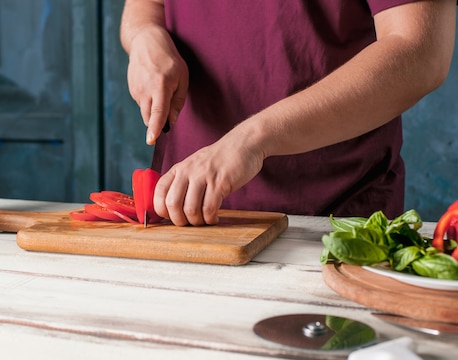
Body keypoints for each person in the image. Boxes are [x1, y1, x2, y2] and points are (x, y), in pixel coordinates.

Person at [120, 0, 456, 226]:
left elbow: (420, 51)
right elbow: (145, 6)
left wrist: (253, 139)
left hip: (327, 226)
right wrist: (144, 35)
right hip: (180, 216)